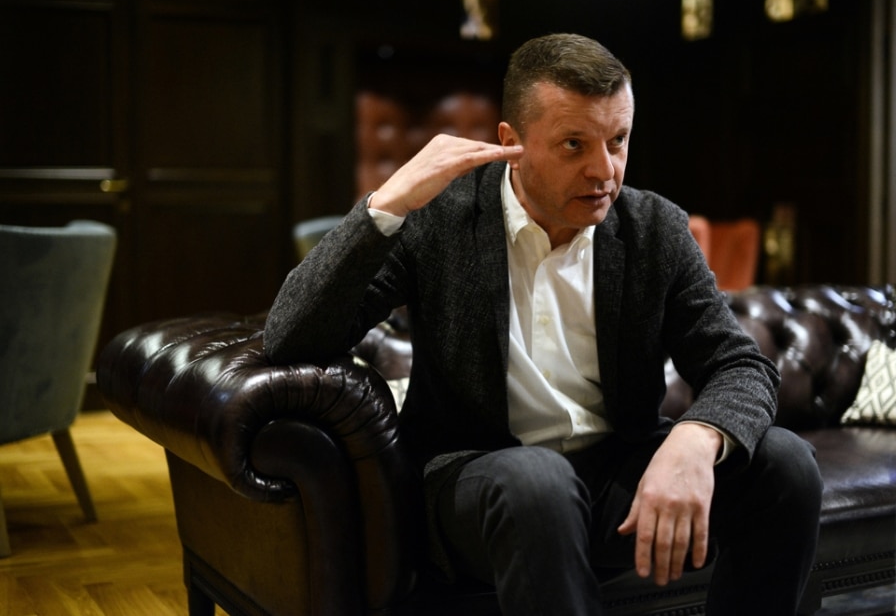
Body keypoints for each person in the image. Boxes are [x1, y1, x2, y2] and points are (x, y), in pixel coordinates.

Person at [264, 33, 822, 615]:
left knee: (785, 464)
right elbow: (290, 335)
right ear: (513, 143)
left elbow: (740, 364)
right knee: (539, 481)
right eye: (574, 144)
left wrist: (696, 437)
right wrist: (387, 204)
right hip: (478, 479)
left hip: (614, 474)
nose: (604, 170)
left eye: (618, 140)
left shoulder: (654, 229)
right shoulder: (441, 221)